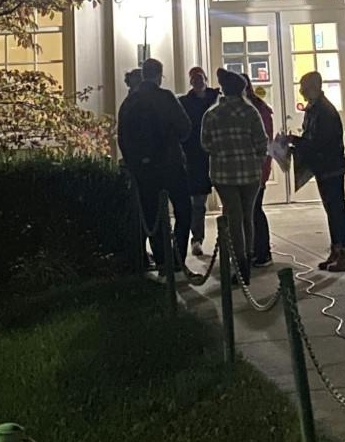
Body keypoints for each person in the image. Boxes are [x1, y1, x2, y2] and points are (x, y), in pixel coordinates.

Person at [116, 58, 191, 271]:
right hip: (171, 164)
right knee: (183, 211)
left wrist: (135, 162)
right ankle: (177, 257)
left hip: (144, 169)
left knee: (152, 214)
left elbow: (122, 137)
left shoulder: (129, 102)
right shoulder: (165, 97)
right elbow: (185, 128)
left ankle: (161, 258)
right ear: (159, 75)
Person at [199, 69, 270, 284]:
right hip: (250, 173)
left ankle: (238, 263)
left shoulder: (212, 114)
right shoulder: (250, 112)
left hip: (223, 174)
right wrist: (256, 159)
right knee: (248, 217)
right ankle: (247, 260)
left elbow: (205, 143)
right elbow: (261, 142)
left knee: (233, 218)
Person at [289, 70, 345, 272]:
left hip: (331, 166)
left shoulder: (324, 111)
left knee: (337, 210)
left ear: (314, 87)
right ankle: (336, 250)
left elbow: (318, 142)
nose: (301, 91)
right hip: (323, 166)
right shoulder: (313, 109)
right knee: (331, 210)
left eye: (304, 87)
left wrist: (296, 143)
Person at [178, 65, 219, 257]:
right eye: (193, 78)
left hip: (217, 155)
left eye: (200, 77)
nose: (197, 81)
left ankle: (230, 240)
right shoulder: (185, 103)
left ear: (205, 78)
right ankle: (197, 239)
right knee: (198, 203)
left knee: (229, 198)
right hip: (196, 157)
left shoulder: (217, 99)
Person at [250, 83, 276, 267]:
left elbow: (264, 141)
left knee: (255, 209)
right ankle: (254, 249)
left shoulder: (259, 110)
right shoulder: (256, 108)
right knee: (251, 211)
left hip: (258, 167)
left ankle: (263, 251)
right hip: (253, 167)